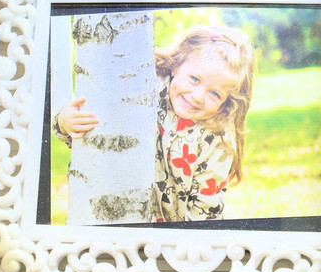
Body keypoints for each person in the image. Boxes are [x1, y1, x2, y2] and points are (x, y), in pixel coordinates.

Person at [54, 24, 255, 221]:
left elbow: (206, 209)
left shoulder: (218, 137)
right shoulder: (147, 88)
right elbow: (103, 136)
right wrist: (64, 124)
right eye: (194, 79)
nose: (198, 96)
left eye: (214, 93)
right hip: (119, 212)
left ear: (226, 101)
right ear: (177, 65)